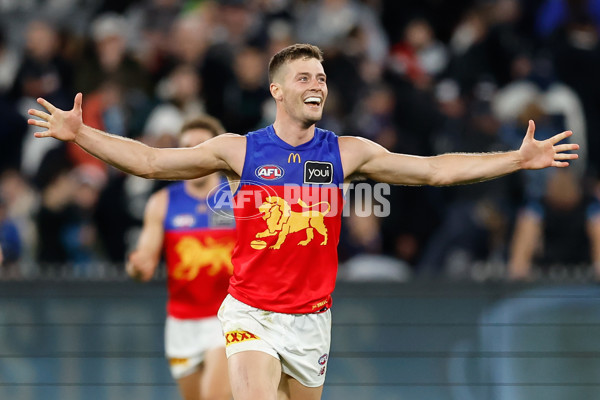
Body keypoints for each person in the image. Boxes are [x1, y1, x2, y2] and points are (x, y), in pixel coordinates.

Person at [28, 43, 578, 400]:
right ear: (277, 90)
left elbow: (433, 172)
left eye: (321, 76)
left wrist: (513, 159)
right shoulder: (239, 151)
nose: (317, 84)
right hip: (251, 312)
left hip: (312, 319)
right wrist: (81, 135)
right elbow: (150, 162)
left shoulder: (349, 152)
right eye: (304, 77)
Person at [126, 115, 235, 400]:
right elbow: (145, 262)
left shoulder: (238, 199)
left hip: (227, 318)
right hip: (181, 322)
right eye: (187, 147)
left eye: (201, 146)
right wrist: (137, 266)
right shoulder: (162, 202)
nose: (194, 154)